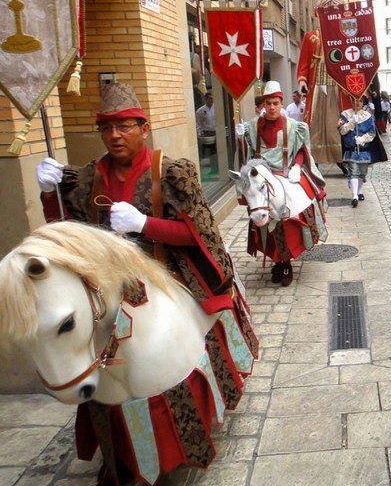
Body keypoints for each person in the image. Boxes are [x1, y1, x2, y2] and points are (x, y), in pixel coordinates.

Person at [34, 82, 259, 484]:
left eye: (124, 126)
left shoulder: (172, 172)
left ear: (143, 127)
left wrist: (145, 224)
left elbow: (200, 234)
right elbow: (64, 230)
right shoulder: (89, 177)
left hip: (165, 266)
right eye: (107, 128)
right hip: (106, 279)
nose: (115, 135)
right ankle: (117, 452)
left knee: (202, 312)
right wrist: (49, 193)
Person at [235, 80, 328, 286]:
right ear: (263, 104)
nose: (271, 107)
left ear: (281, 102)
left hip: (286, 176)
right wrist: (240, 139)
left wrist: (297, 166)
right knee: (263, 221)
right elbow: (246, 157)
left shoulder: (294, 127)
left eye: (275, 103)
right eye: (268, 103)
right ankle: (276, 261)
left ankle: (285, 262)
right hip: (261, 180)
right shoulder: (251, 127)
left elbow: (303, 151)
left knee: (286, 222)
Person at [297, 0, 353, 169]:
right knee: (315, 124)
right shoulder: (311, 37)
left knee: (338, 124)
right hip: (317, 87)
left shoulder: (344, 36)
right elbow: (304, 63)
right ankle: (314, 159)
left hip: (338, 88)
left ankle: (341, 158)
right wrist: (302, 81)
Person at [338, 95, 387, 207]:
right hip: (351, 150)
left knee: (363, 172)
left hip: (364, 150)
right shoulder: (344, 114)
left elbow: (372, 133)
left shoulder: (368, 116)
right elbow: (341, 130)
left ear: (363, 103)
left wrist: (363, 139)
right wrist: (350, 123)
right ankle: (354, 195)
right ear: (351, 101)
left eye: (360, 101)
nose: (357, 103)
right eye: (355, 100)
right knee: (353, 171)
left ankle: (359, 191)